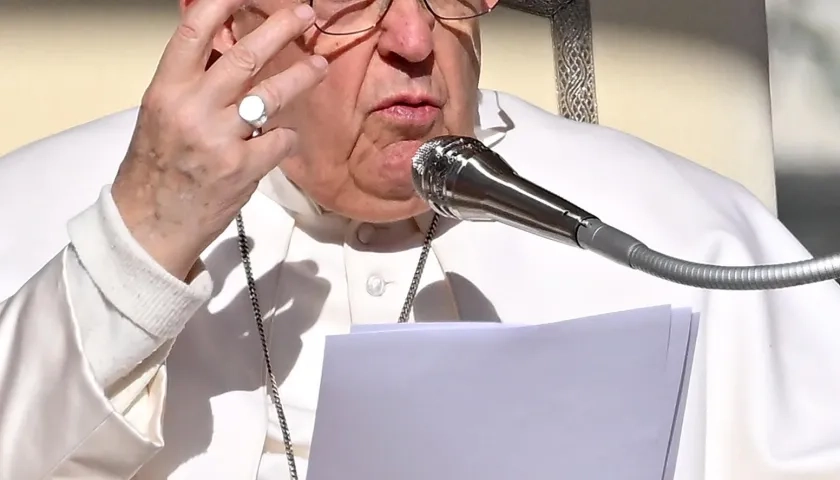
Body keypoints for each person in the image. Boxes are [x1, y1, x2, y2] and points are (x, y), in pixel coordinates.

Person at [1, 0, 840, 477]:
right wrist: (136, 249)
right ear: (222, 20)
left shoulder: (692, 239)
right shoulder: (36, 204)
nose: (412, 40)